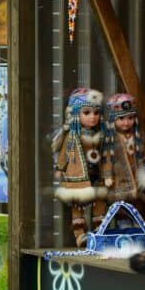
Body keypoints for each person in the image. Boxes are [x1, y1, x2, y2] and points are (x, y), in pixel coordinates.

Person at [52, 87, 108, 247]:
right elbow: (64, 153)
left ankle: (99, 231)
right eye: (87, 113)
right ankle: (80, 234)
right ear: (76, 114)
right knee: (78, 204)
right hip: (77, 175)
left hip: (96, 175)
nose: (92, 117)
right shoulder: (71, 136)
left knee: (99, 202)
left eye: (96, 113)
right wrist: (60, 168)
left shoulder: (101, 135)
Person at [102, 93, 145, 223]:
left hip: (136, 175)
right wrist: (108, 175)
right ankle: (123, 223)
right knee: (121, 205)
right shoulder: (111, 138)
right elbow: (107, 158)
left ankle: (137, 223)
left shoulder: (137, 136)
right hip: (120, 178)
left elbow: (142, 155)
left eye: (130, 118)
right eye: (121, 118)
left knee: (137, 204)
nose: (126, 122)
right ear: (113, 119)